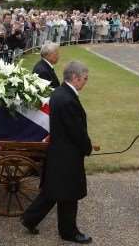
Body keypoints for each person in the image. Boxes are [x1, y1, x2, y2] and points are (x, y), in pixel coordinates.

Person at [21, 61, 93, 244]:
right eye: (84, 79)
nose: (86, 82)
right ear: (75, 78)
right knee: (69, 194)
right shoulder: (68, 99)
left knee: (53, 190)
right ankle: (68, 232)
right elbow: (76, 131)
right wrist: (87, 147)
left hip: (58, 151)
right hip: (67, 154)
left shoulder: (60, 93)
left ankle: (30, 218)